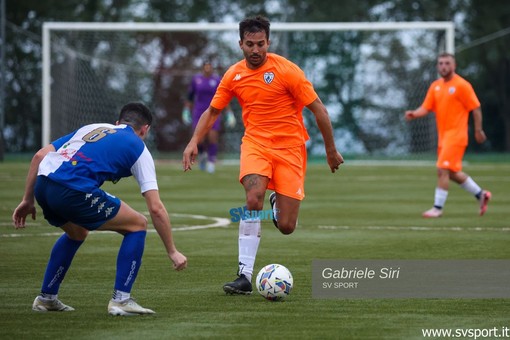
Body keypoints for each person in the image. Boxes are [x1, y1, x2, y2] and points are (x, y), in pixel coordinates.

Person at [182, 15, 344, 295]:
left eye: (260, 44)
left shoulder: (288, 70)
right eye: (249, 44)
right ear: (240, 44)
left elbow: (318, 109)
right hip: (256, 145)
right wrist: (194, 141)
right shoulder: (233, 75)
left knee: (286, 226)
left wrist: (331, 150)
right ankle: (244, 275)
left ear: (268, 42)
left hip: (291, 149)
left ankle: (276, 203)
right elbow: (213, 111)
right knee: (252, 199)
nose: (255, 50)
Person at [12, 102, 187, 315]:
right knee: (138, 224)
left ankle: (46, 298)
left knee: (77, 232)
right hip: (73, 189)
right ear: (145, 130)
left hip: (43, 185)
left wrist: (27, 200)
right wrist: (172, 251)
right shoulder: (138, 147)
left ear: (117, 123)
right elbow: (156, 208)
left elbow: (40, 156)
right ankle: (121, 300)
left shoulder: (93, 127)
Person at [405, 53, 491, 218]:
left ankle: (437, 208)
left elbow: (476, 108)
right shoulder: (436, 86)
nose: (443, 66)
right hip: (443, 137)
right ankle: (481, 194)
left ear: (454, 65)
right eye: (440, 63)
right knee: (450, 173)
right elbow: (426, 107)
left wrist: (478, 130)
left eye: (447, 63)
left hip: (457, 136)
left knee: (442, 169)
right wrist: (414, 114)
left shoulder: (462, 85)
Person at [182, 61, 236, 174]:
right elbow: (190, 97)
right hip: (198, 112)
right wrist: (186, 110)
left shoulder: (217, 80)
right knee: (199, 139)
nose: (207, 69)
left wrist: (229, 113)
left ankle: (211, 161)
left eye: (209, 67)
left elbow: (224, 96)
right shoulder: (196, 80)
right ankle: (202, 155)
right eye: (205, 67)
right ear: (202, 68)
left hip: (214, 111)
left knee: (212, 136)